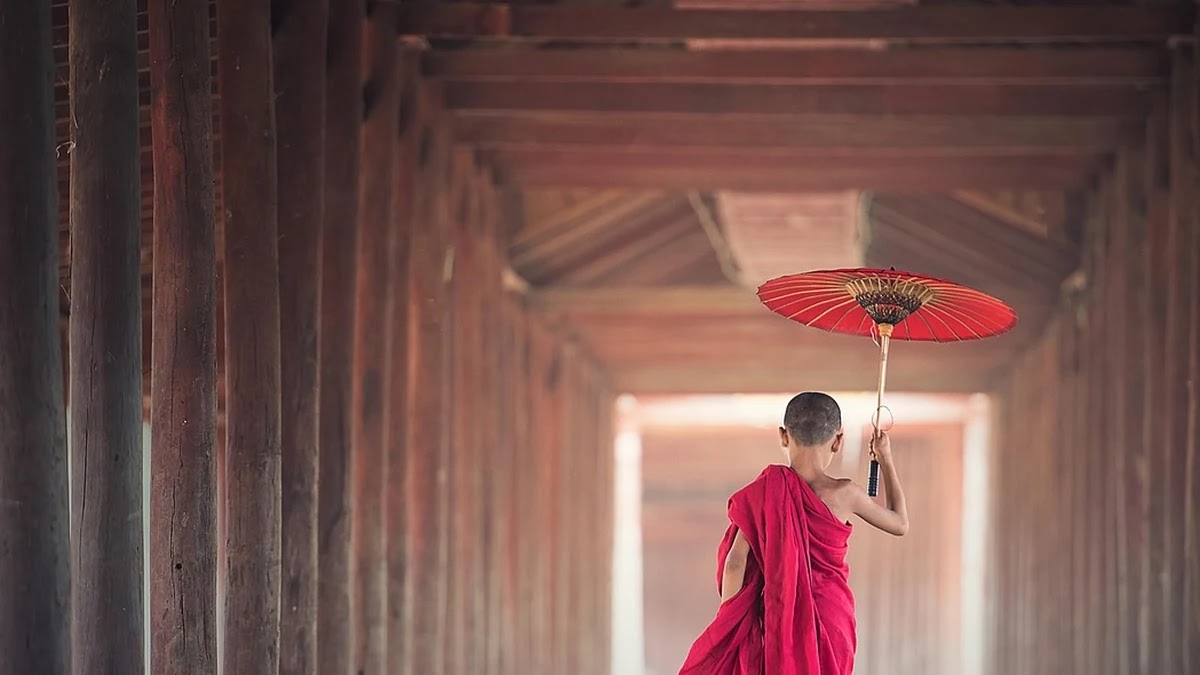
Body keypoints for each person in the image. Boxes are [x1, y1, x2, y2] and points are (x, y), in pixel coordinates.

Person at [678, 392, 909, 675]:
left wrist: (731, 622)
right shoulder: (845, 493)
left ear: (783, 436)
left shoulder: (763, 493)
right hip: (831, 615)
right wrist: (885, 458)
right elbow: (899, 523)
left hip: (781, 613)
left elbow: (735, 563)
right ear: (838, 440)